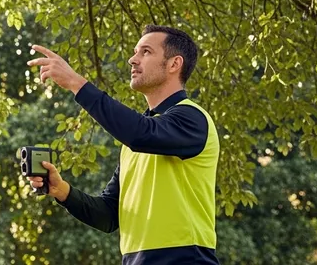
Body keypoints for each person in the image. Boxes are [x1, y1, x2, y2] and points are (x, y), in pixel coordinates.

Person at [27, 25, 219, 264]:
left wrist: (76, 83)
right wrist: (62, 191)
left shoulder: (192, 118)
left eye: (146, 52)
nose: (133, 59)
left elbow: (140, 133)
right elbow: (108, 214)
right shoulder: (134, 143)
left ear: (174, 64)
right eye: (135, 52)